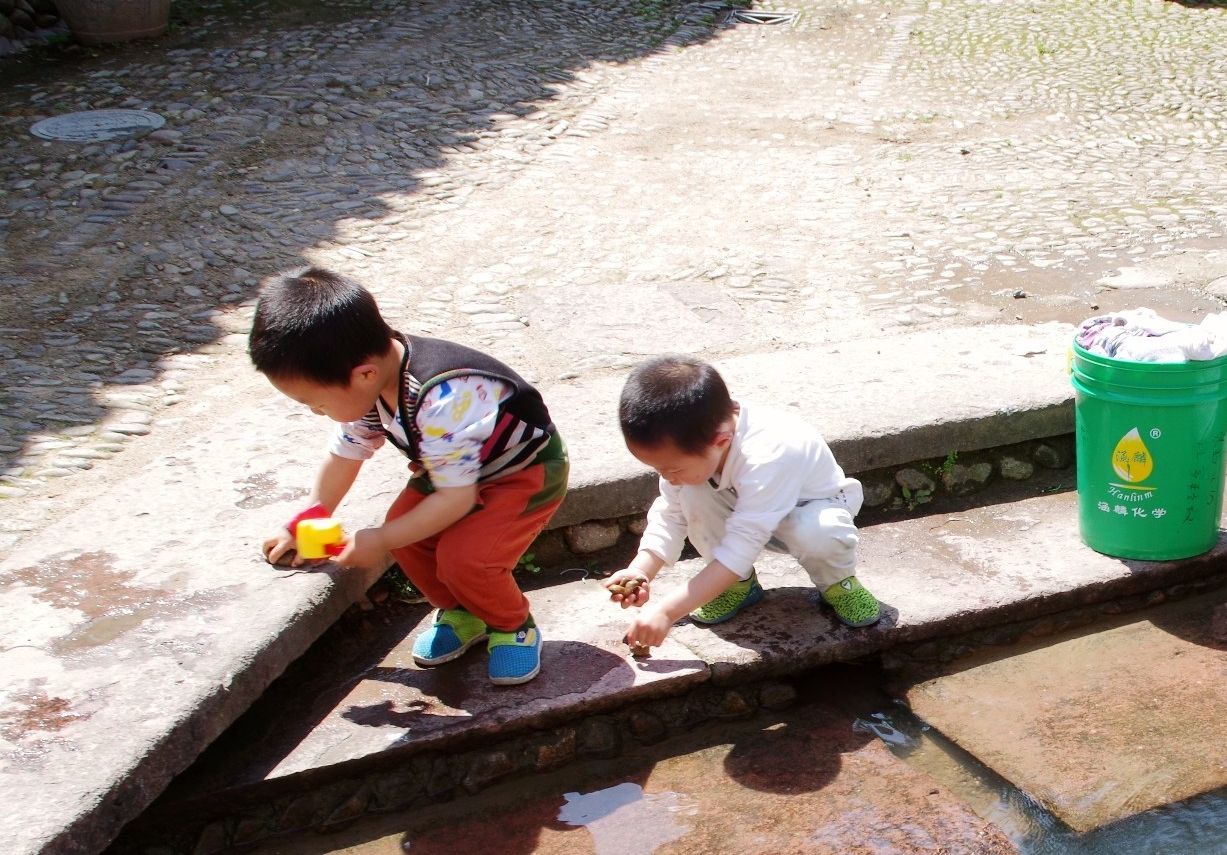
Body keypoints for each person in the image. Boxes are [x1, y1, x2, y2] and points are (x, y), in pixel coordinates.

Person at [253, 267, 568, 686]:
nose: (313, 411)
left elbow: (454, 502)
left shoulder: (443, 397)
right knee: (412, 539)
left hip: (522, 471)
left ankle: (514, 625)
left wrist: (381, 541)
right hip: (451, 472)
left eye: (314, 402)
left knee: (468, 559)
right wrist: (308, 518)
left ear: (361, 374)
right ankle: (465, 613)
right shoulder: (370, 381)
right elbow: (346, 453)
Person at [604, 356, 881, 648]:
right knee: (692, 493)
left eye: (672, 469)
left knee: (819, 532)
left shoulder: (770, 453)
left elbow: (740, 549)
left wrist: (667, 611)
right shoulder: (697, 443)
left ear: (720, 441)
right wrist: (640, 571)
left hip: (811, 510)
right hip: (747, 512)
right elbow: (672, 513)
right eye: (659, 470)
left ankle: (838, 583)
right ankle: (740, 586)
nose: (667, 478)